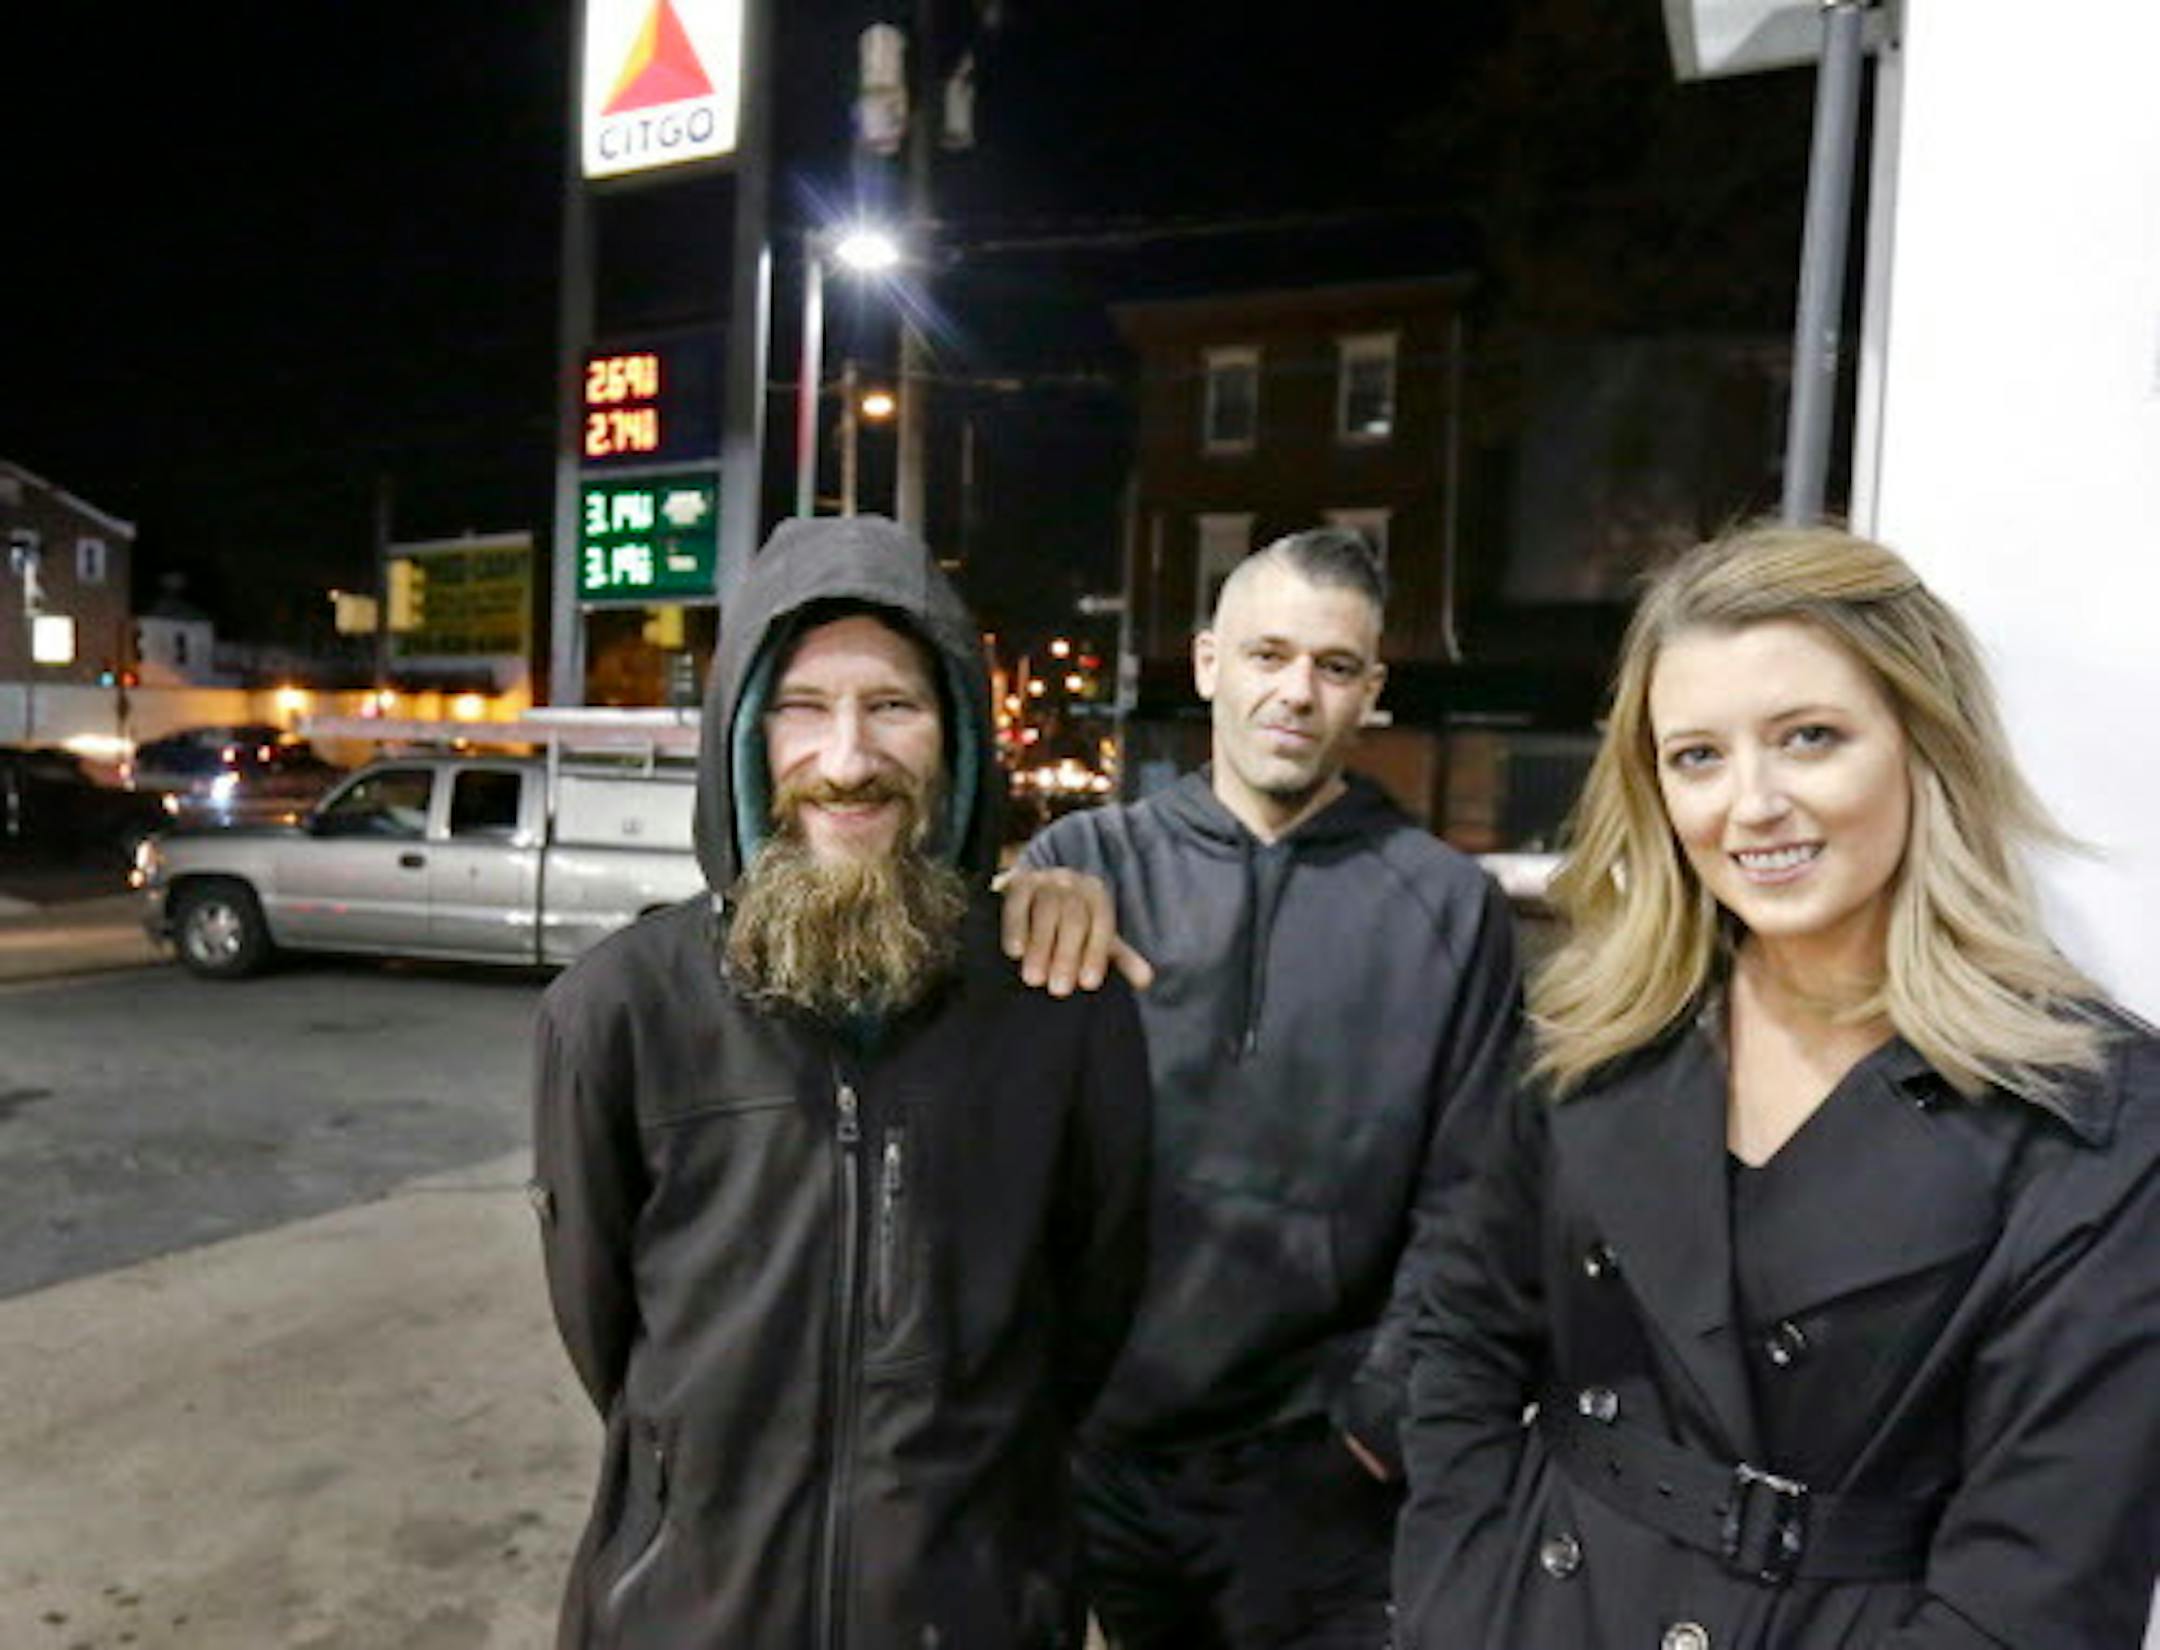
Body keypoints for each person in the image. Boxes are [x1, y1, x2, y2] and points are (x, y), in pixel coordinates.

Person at [1394, 523, 2160, 1650]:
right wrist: (1459, 1599)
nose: (1750, 806)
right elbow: (1458, 1336)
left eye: (1808, 738)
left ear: (1922, 745)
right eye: (1697, 756)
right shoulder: (1594, 1025)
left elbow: (2043, 1586)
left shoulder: (2095, 1112)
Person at [530, 514, 1153, 1650]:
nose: (850, 759)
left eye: (895, 706)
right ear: (741, 736)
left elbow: (1089, 1317)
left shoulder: (1061, 1008)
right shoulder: (615, 1012)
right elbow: (606, 1336)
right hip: (685, 1616)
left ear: (959, 733)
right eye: (803, 709)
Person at [1020, 526, 1523, 1648]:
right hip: (1095, 1456)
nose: (1297, 692)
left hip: (1316, 1477)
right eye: (1268, 655)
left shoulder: (1448, 909)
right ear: (1207, 664)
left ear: (1371, 692)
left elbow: (1479, 1195)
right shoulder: (1081, 870)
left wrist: (1375, 1426)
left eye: (1334, 667)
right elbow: (993, 1154)